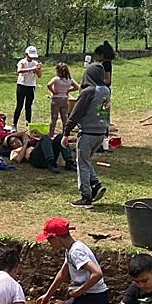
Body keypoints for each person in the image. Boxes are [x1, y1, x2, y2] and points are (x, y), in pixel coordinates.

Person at [36, 218, 111, 304]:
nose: (49, 243)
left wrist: (79, 291)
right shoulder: (71, 249)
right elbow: (62, 273)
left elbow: (97, 273)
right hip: (85, 296)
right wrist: (48, 295)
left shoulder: (76, 252)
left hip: (94, 297)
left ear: (55, 237)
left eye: (49, 240)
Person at [62, 64, 110, 206]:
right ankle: (95, 184)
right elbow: (105, 111)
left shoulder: (88, 92)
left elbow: (77, 112)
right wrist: (106, 128)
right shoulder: (106, 90)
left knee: (81, 163)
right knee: (86, 159)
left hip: (88, 132)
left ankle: (86, 196)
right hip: (100, 132)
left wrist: (66, 132)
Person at [13, 45, 43, 130]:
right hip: (22, 85)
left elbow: (39, 76)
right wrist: (31, 69)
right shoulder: (22, 62)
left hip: (31, 86)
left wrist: (38, 70)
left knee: (28, 106)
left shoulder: (35, 63)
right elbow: (19, 71)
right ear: (26, 54)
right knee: (19, 105)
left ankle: (28, 124)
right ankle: (14, 124)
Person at [46, 62, 76, 135]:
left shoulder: (56, 79)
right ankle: (65, 134)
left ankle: (51, 134)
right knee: (65, 118)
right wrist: (68, 90)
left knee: (54, 117)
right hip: (65, 99)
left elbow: (49, 85)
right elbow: (76, 87)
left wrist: (53, 92)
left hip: (56, 99)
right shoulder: (69, 80)